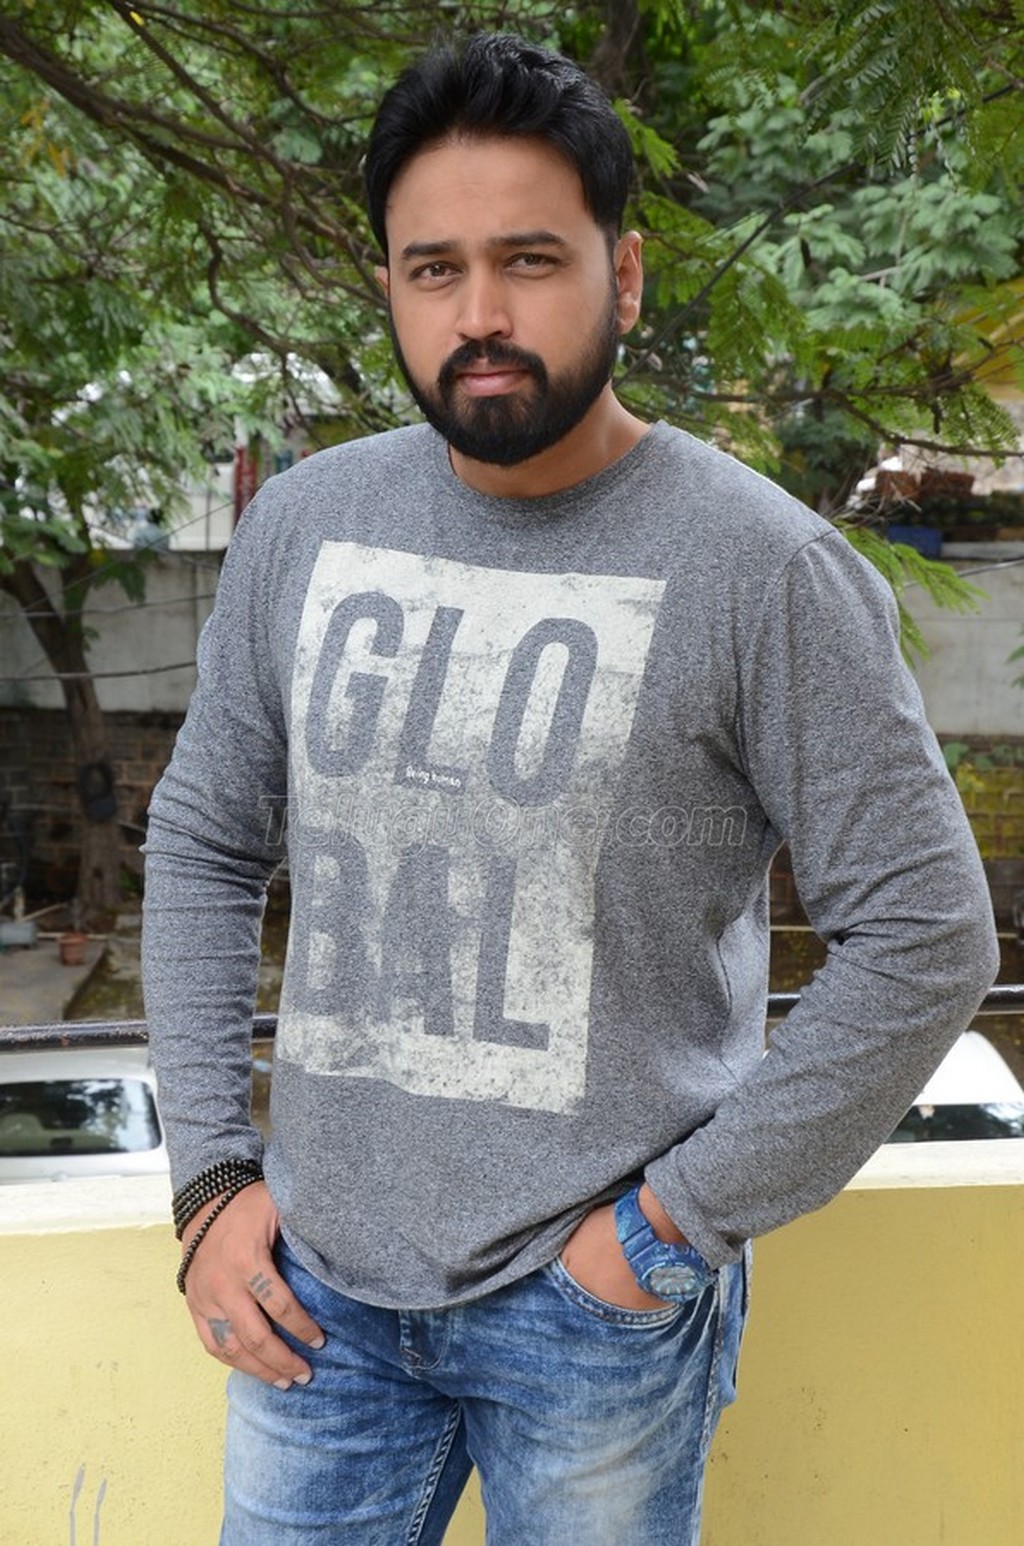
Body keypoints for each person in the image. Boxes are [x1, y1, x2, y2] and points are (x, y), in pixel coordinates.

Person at [142, 31, 998, 1546]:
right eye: (434, 269)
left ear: (628, 274)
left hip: (592, 1316)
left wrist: (668, 1228)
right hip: (314, 1304)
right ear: (391, 288)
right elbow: (206, 840)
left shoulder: (765, 571)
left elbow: (928, 935)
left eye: (530, 260)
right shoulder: (305, 528)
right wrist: (210, 1174)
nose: (480, 313)